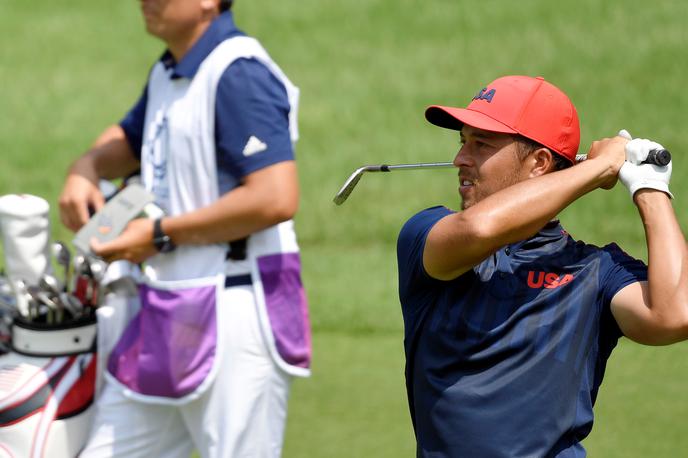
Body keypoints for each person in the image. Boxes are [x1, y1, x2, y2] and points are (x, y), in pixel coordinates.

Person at [58, 1, 311, 456]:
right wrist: (87, 166)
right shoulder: (171, 71)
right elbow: (129, 141)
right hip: (166, 313)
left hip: (238, 316)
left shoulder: (238, 72)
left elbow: (275, 197)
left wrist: (158, 234)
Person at [396, 75, 687, 457]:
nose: (460, 159)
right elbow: (480, 228)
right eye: (462, 141)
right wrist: (597, 169)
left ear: (539, 163)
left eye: (481, 144)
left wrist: (651, 189)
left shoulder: (595, 270)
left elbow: (674, 315)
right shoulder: (428, 235)